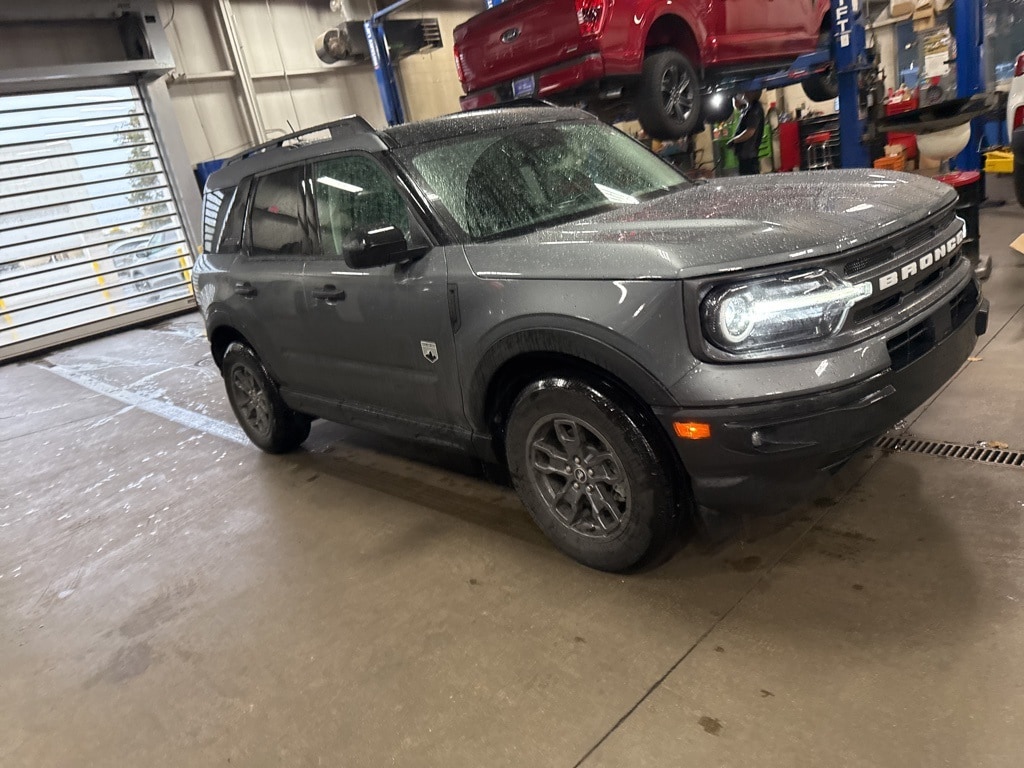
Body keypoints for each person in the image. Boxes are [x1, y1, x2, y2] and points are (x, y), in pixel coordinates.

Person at [726, 90, 765, 176]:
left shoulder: (755, 109)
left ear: (753, 93)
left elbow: (750, 132)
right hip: (745, 156)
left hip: (749, 157)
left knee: (751, 182)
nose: (744, 93)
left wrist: (734, 140)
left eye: (747, 91)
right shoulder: (749, 108)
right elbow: (738, 106)